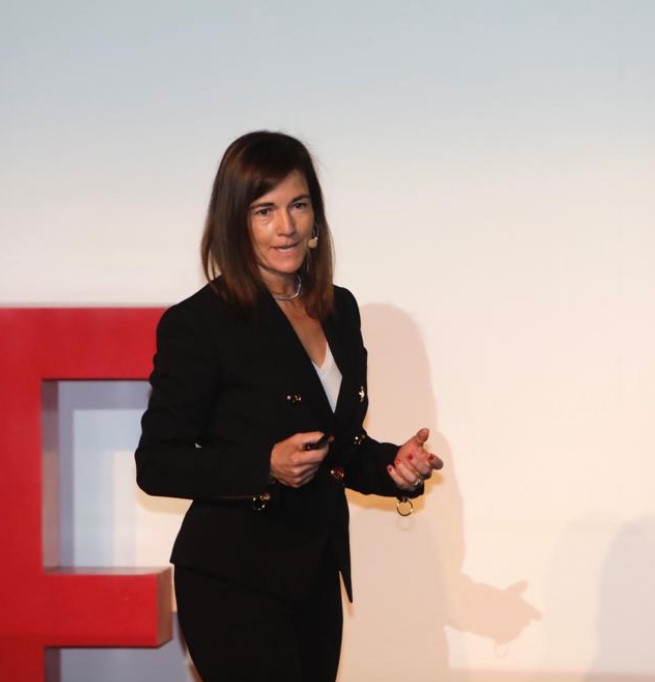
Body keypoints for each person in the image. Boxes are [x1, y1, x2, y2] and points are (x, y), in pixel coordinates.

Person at [135, 131, 444, 682]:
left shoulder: (339, 308)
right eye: (265, 210)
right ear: (236, 223)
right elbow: (157, 464)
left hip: (315, 574)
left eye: (298, 205)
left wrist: (393, 467)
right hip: (231, 578)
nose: (287, 226)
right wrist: (265, 465)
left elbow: (338, 446)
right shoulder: (199, 323)